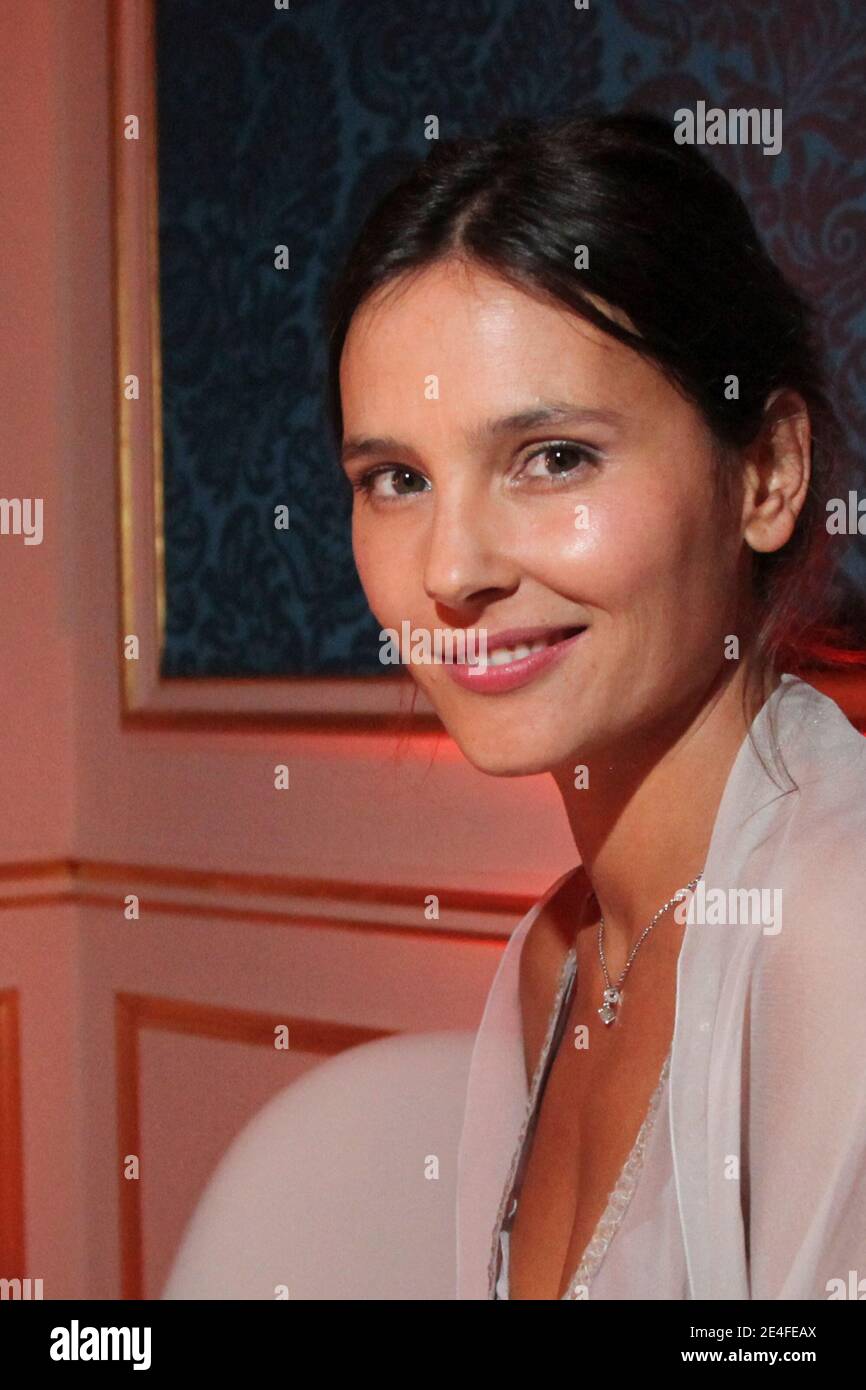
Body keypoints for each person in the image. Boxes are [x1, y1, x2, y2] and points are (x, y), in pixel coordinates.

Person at [324, 110, 866, 1300]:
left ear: (765, 474)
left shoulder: (837, 939)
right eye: (396, 479)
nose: (450, 568)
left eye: (553, 456)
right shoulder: (552, 962)